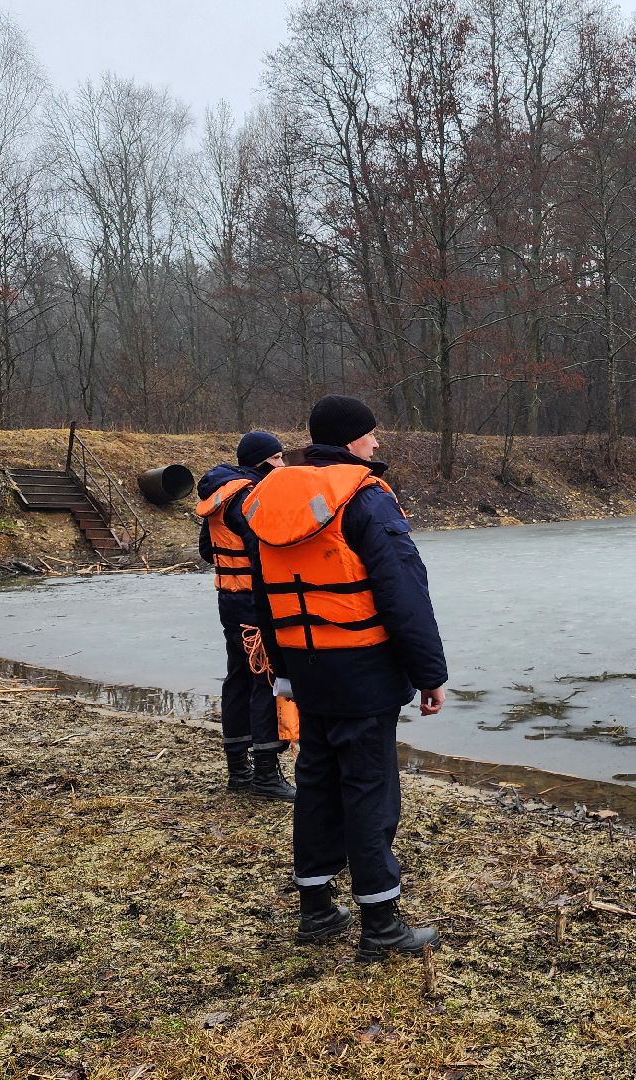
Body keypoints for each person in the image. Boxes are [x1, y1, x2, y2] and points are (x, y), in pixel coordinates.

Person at [237, 394, 448, 959]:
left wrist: (281, 672)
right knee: (369, 789)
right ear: (352, 440)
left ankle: (317, 911)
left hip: (306, 670)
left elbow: (264, 599)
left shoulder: (269, 499)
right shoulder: (366, 499)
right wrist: (430, 673)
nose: (377, 444)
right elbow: (404, 593)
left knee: (317, 781)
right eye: (371, 435)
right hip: (363, 670)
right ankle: (381, 925)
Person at [193, 431, 296, 801]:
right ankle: (266, 775)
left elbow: (208, 550)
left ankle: (239, 769)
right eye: (279, 458)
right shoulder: (252, 496)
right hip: (255, 603)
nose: (283, 465)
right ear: (262, 462)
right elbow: (266, 553)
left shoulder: (219, 495)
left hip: (229, 601)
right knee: (265, 682)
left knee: (238, 678)